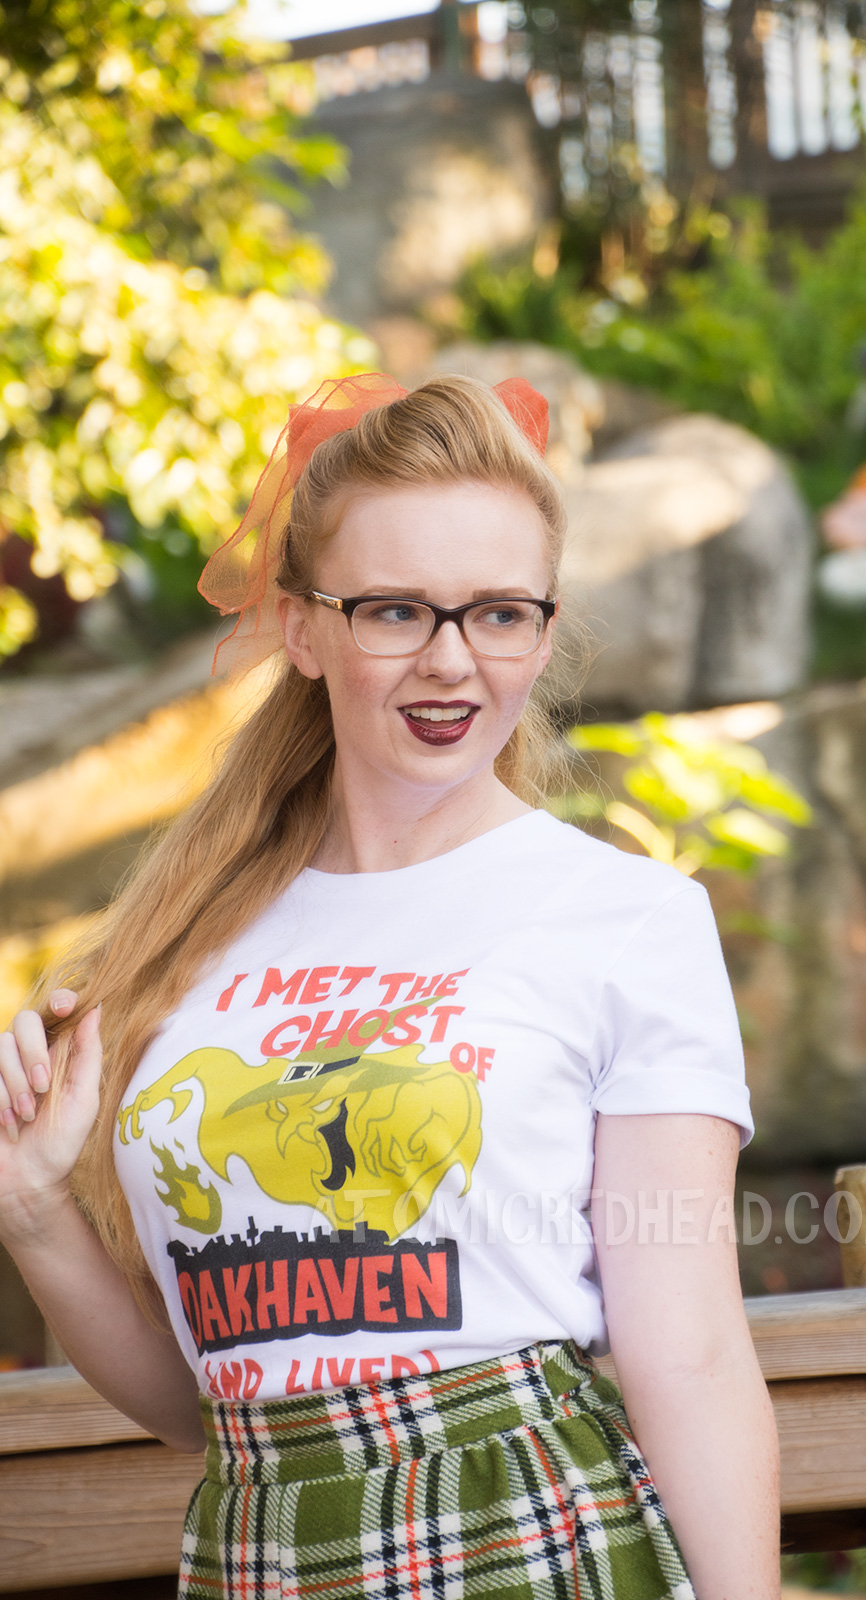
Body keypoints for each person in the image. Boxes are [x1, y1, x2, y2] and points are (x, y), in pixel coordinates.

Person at [0, 372, 779, 1600]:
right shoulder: (180, 949)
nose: (451, 662)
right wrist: (35, 1209)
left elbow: (684, 1356)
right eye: (395, 611)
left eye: (499, 614)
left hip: (519, 1537)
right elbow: (205, 1396)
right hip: (255, 1548)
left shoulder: (625, 920)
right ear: (302, 628)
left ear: (544, 624)